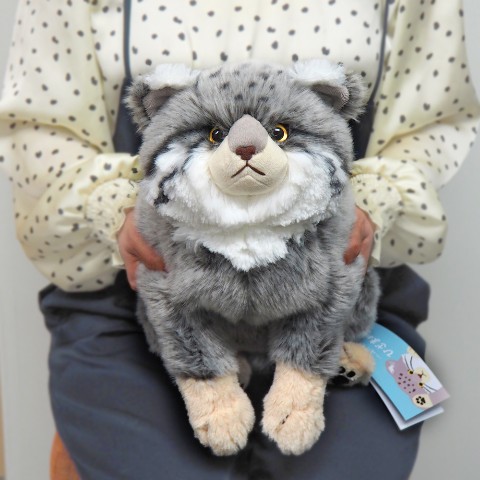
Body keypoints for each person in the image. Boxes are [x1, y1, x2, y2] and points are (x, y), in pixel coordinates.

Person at [0, 1, 478, 479]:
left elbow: (432, 122)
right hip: (138, 299)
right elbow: (39, 131)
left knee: (357, 465)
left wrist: (371, 202)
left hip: (341, 301)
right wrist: (119, 206)